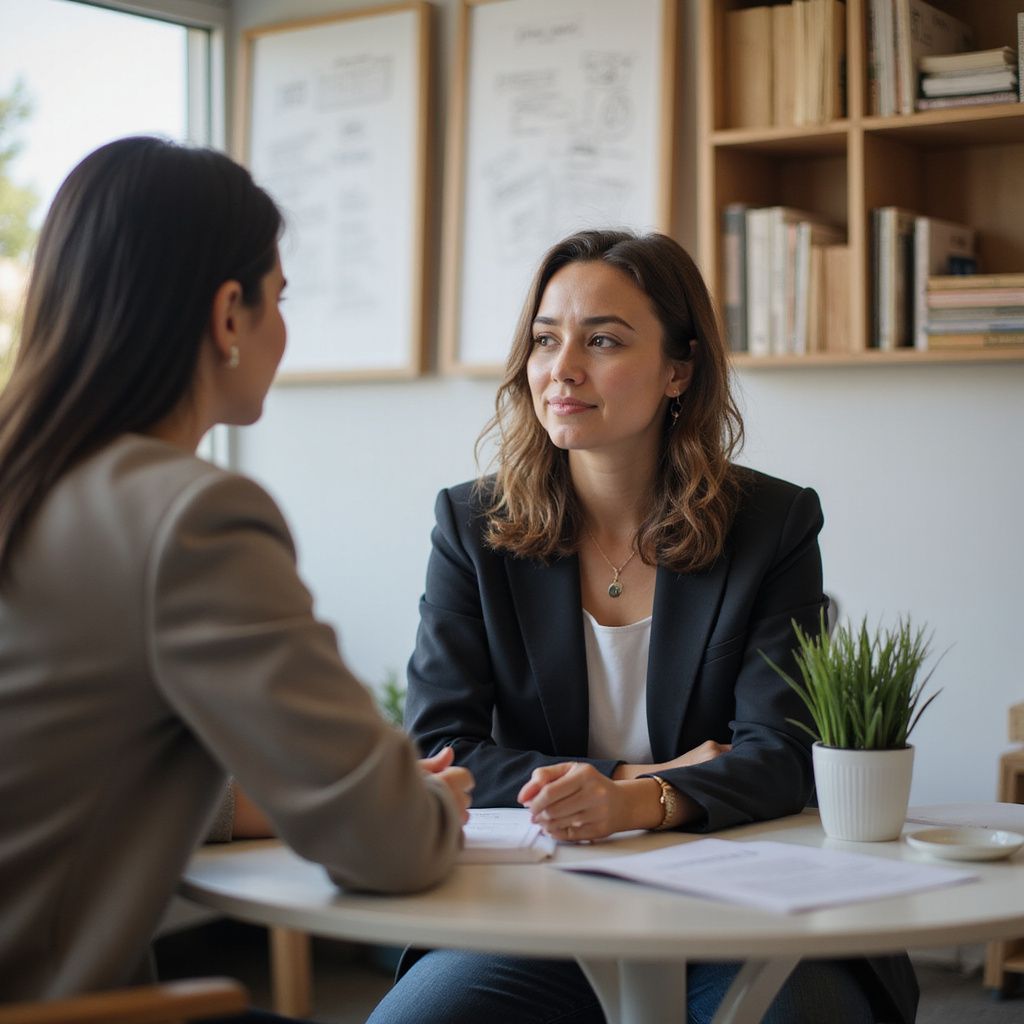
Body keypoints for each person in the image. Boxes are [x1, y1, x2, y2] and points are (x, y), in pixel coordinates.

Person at [367, 230, 918, 1024]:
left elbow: (785, 755)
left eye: (603, 340)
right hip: (535, 906)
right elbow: (442, 750)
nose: (564, 368)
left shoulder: (773, 523)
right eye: (546, 340)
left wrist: (642, 807)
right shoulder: (471, 525)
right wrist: (633, 783)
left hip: (745, 905)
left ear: (678, 371)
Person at [0, 136, 473, 1004]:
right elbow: (389, 847)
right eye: (279, 299)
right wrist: (435, 805)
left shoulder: (27, 482)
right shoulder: (192, 516)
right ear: (229, 314)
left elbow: (54, 758)